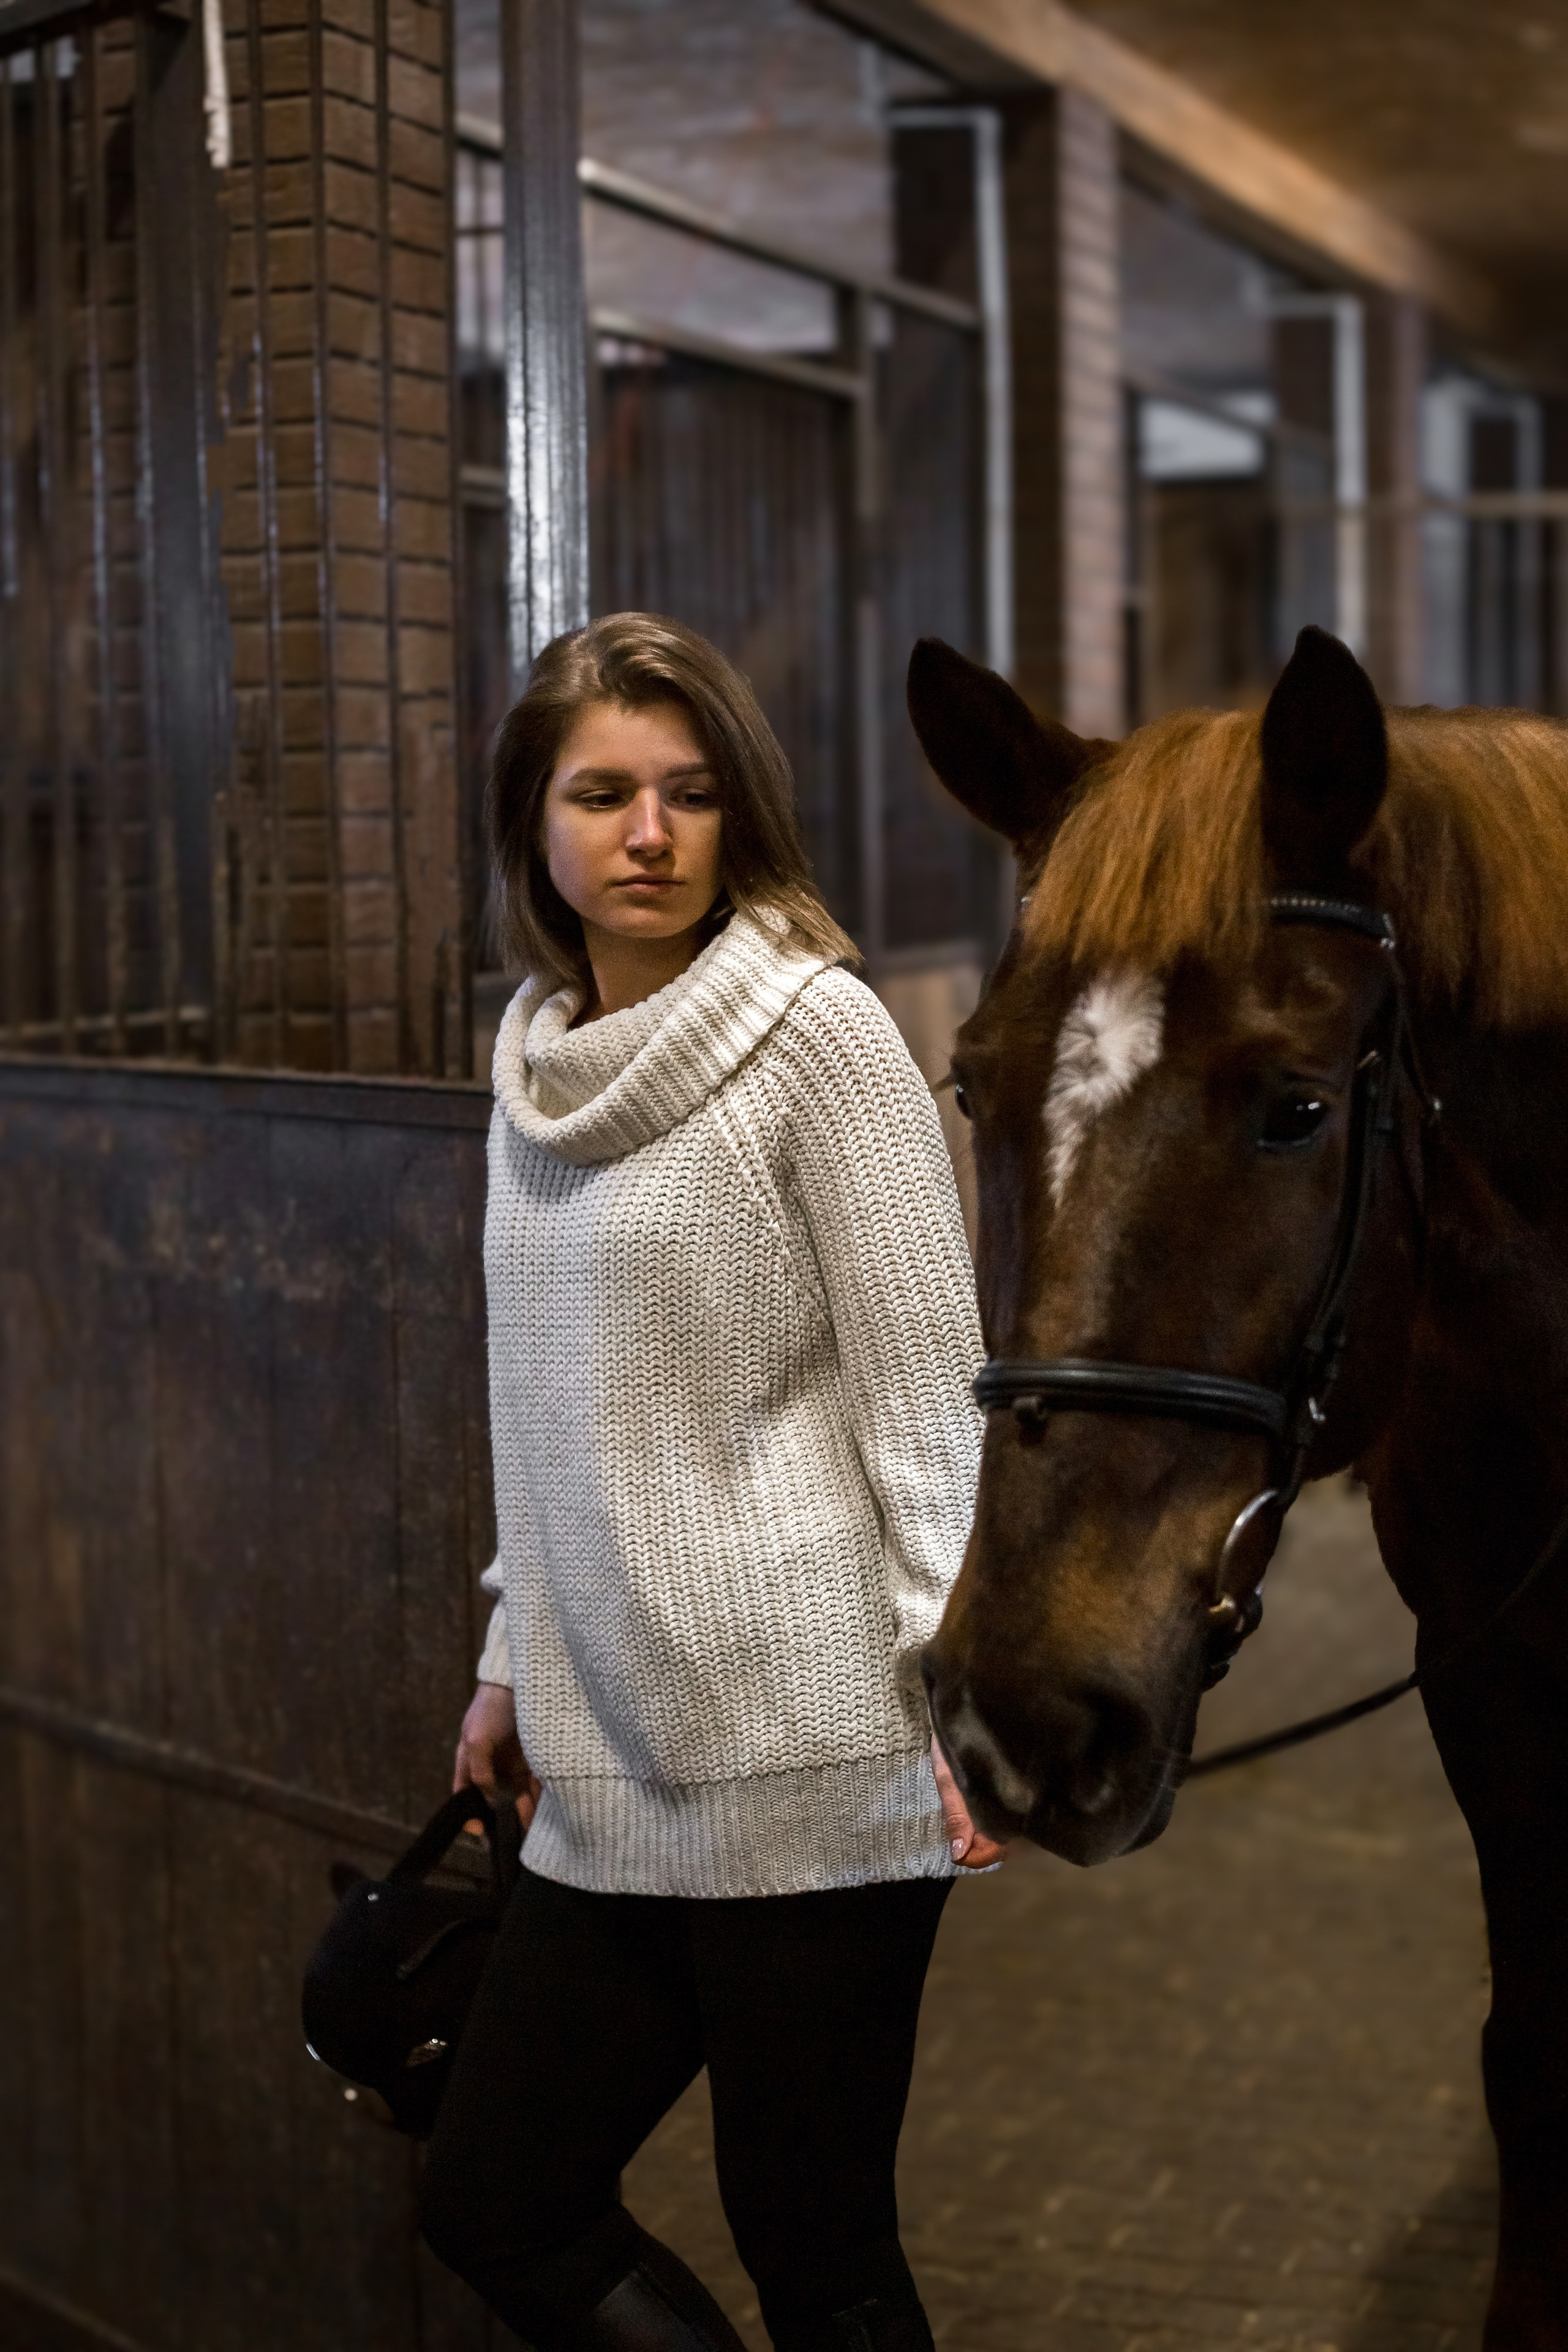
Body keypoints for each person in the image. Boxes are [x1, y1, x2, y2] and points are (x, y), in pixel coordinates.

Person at [420, 612, 1000, 2352]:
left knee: (813, 2246)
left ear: (740, 812)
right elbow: (538, 1402)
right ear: (535, 823)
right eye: (601, 794)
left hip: (817, 1750)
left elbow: (930, 1406)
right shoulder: (530, 1065)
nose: (649, 833)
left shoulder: (817, 1035)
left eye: (687, 793)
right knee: (498, 2197)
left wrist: (963, 1699)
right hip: (613, 1756)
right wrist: (510, 1656)